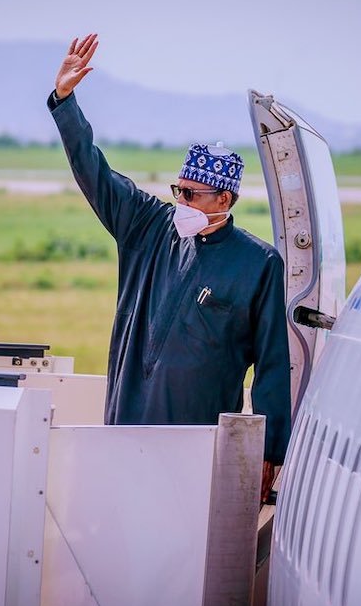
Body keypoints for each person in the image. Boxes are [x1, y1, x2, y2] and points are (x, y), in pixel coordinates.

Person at [48, 33, 291, 501]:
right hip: (124, 429)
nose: (179, 201)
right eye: (178, 190)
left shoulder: (258, 263)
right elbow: (92, 168)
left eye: (192, 194)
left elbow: (274, 364)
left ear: (224, 198)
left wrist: (269, 450)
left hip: (193, 451)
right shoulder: (147, 227)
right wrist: (64, 101)